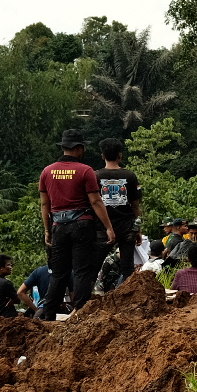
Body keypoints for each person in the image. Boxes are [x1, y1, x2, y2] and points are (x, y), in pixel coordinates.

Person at [38, 129, 118, 318]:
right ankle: (80, 311)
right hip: (82, 225)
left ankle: (48, 314)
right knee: (82, 271)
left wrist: (47, 230)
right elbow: (96, 201)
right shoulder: (85, 171)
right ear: (79, 148)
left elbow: (44, 204)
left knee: (59, 273)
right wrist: (108, 227)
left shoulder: (47, 171)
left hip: (58, 226)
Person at [96, 138, 143, 289]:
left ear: (102, 155)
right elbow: (135, 205)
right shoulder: (130, 176)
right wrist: (138, 229)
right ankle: (129, 298)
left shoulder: (95, 176)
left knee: (94, 265)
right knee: (127, 267)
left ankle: (86, 301)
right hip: (127, 226)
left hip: (103, 227)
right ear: (120, 155)